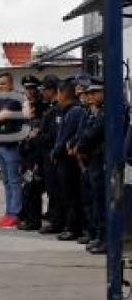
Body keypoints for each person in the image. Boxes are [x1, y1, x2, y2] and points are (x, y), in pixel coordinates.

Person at [51, 78, 88, 242]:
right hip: (63, 158)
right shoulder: (66, 111)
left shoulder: (74, 112)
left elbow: (66, 137)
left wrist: (55, 152)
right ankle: (71, 226)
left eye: (59, 93)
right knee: (66, 195)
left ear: (63, 93)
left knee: (71, 195)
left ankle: (74, 228)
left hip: (68, 160)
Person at [0, 72, 26, 229]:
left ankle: (15, 213)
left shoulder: (15, 100)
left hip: (12, 146)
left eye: (3, 84)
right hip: (0, 145)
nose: (0, 87)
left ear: (11, 84)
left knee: (14, 181)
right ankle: (9, 212)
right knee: (6, 182)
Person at [73, 78, 106, 254]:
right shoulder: (94, 112)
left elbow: (91, 135)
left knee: (101, 201)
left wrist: (81, 146)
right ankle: (99, 236)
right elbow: (83, 134)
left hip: (101, 161)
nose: (90, 96)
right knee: (95, 201)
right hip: (92, 161)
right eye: (89, 93)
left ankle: (104, 238)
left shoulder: (106, 112)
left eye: (95, 92)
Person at [17, 75, 46, 231]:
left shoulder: (42, 107)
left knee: (33, 187)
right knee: (27, 186)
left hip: (37, 153)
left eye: (32, 88)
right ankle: (28, 217)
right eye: (27, 88)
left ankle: (33, 220)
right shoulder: (26, 106)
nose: (29, 91)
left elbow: (38, 131)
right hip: (27, 152)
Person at [37, 75, 63, 235]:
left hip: (52, 154)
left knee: (55, 190)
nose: (42, 93)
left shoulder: (56, 109)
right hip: (46, 154)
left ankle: (57, 221)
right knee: (51, 189)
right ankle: (55, 218)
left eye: (45, 90)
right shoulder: (50, 107)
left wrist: (37, 136)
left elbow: (53, 134)